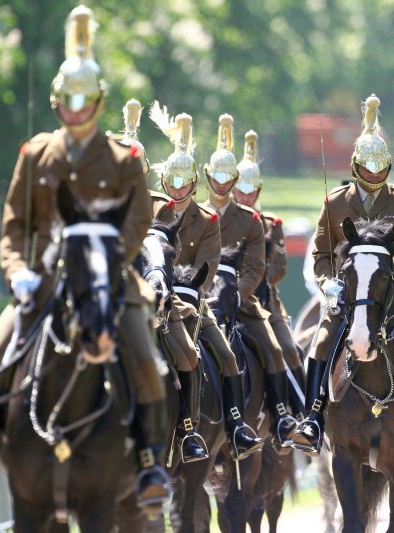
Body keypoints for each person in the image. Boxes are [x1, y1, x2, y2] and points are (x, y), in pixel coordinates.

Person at [0, 5, 170, 510]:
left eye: (83, 102)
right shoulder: (36, 155)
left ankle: (149, 464)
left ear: (97, 103)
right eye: (66, 103)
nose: (74, 113)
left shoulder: (124, 159)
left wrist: (111, 261)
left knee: (146, 362)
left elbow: (138, 222)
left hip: (108, 281)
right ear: (56, 103)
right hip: (45, 283)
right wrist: (18, 273)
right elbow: (15, 226)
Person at [290, 94, 394, 456]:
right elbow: (321, 252)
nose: (375, 176)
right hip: (345, 292)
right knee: (320, 343)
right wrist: (328, 284)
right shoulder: (335, 203)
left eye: (381, 169)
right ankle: (312, 419)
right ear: (356, 165)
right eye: (369, 169)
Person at [144, 104, 264, 462]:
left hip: (188, 299)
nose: (178, 190)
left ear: (195, 183)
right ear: (163, 182)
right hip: (147, 297)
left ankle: (224, 428)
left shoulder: (208, 220)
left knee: (224, 356)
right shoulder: (149, 209)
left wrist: (184, 294)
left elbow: (208, 268)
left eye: (184, 183)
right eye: (172, 182)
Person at [200, 114, 298, 451]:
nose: (225, 186)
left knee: (274, 348)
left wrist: (235, 296)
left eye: (232, 179)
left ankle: (284, 415)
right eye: (219, 178)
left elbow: (257, 268)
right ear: (208, 177)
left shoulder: (253, 221)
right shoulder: (192, 216)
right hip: (196, 301)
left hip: (240, 302)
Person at [232, 129, 306, 417]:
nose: (246, 196)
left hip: (264, 302)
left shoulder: (270, 224)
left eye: (251, 192)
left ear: (258, 192)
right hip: (219, 299)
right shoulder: (216, 221)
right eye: (241, 190)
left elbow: (279, 270)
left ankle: (297, 415)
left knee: (288, 349)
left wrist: (253, 274)